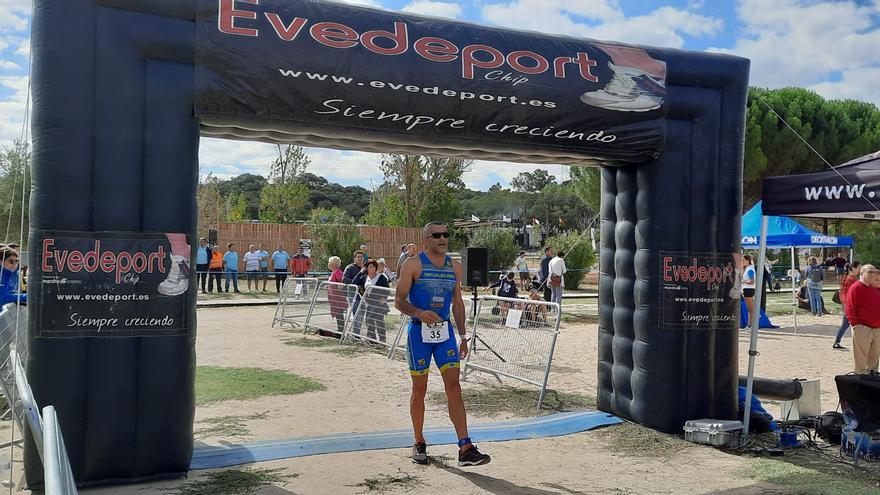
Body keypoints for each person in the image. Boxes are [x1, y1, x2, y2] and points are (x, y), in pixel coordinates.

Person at [395, 221, 491, 467]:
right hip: (419, 335)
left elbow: (457, 302)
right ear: (426, 238)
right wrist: (417, 312)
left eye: (446, 234)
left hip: (445, 333)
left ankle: (465, 447)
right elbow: (399, 300)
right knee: (420, 390)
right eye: (437, 235)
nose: (443, 238)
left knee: (454, 387)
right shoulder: (413, 264)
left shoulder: (455, 266)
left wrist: (463, 336)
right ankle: (418, 440)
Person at [844, 264, 880, 374]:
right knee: (861, 359)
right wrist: (855, 325)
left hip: (877, 328)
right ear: (862, 273)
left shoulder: (874, 289)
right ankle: (860, 380)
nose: (873, 275)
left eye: (875, 272)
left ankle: (873, 380)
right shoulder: (856, 288)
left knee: (874, 359)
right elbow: (850, 307)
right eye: (870, 272)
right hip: (862, 327)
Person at [833, 262, 861, 349]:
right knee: (856, 324)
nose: (860, 270)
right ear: (853, 268)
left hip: (845, 304)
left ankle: (837, 342)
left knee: (845, 325)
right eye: (859, 268)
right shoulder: (852, 279)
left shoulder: (847, 278)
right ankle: (860, 344)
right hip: (848, 305)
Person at [362, 260, 391, 342]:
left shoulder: (381, 277)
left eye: (373, 267)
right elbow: (356, 282)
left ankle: (382, 339)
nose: (372, 268)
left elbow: (386, 289)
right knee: (369, 319)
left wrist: (384, 298)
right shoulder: (365, 277)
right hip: (370, 302)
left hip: (379, 302)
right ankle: (372, 338)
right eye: (369, 267)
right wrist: (361, 271)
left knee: (378, 320)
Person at [343, 251, 367, 336]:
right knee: (357, 315)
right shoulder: (350, 268)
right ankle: (356, 335)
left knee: (361, 315)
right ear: (354, 258)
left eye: (361, 257)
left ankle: (356, 334)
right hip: (353, 295)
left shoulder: (366, 269)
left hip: (363, 296)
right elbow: (345, 279)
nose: (360, 258)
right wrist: (356, 283)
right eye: (358, 257)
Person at [326, 256, 346, 337]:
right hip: (334, 297)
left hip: (338, 297)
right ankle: (340, 330)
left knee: (339, 314)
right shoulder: (334, 272)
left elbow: (340, 283)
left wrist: (334, 287)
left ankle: (341, 332)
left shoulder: (337, 272)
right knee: (338, 314)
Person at [741, 254, 756, 323]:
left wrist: (742, 282)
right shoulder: (747, 268)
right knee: (749, 309)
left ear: (748, 261)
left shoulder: (750, 269)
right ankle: (750, 324)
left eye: (743, 260)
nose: (742, 261)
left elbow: (752, 281)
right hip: (746, 290)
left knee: (751, 309)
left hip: (749, 290)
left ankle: (751, 325)